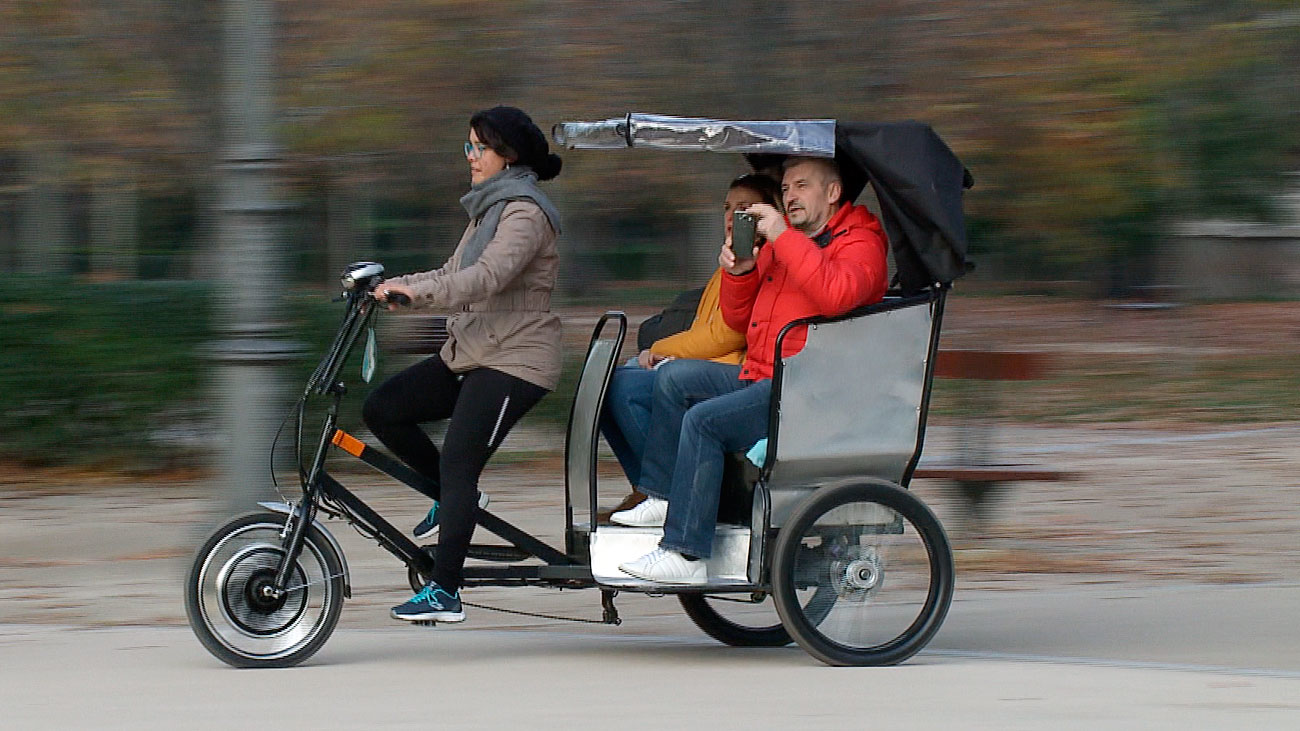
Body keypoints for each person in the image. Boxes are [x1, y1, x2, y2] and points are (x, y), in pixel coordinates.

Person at [613, 156, 889, 583]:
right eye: (786, 189)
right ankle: (665, 495)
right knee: (671, 378)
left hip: (811, 390)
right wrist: (740, 275)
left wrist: (780, 235)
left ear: (833, 194)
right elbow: (741, 321)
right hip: (765, 376)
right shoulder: (789, 243)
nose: (790, 196)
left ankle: (685, 555)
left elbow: (837, 294)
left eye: (802, 186)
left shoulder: (861, 243)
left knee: (703, 421)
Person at [364, 106, 563, 621]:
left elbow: (484, 279)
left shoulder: (525, 214)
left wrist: (416, 295)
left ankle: (445, 591)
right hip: (475, 351)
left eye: (480, 147)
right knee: (384, 409)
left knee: (459, 460)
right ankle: (453, 500)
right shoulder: (488, 210)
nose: (470, 157)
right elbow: (452, 271)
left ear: (508, 155)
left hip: (516, 359)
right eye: (468, 146)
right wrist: (391, 285)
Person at [597, 174, 780, 519]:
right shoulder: (729, 261)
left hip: (729, 371)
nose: (731, 217)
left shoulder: (765, 260)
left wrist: (663, 349)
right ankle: (647, 491)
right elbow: (705, 327)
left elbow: (729, 333)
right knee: (611, 385)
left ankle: (668, 494)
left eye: (744, 209)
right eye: (727, 208)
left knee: (626, 386)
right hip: (707, 364)